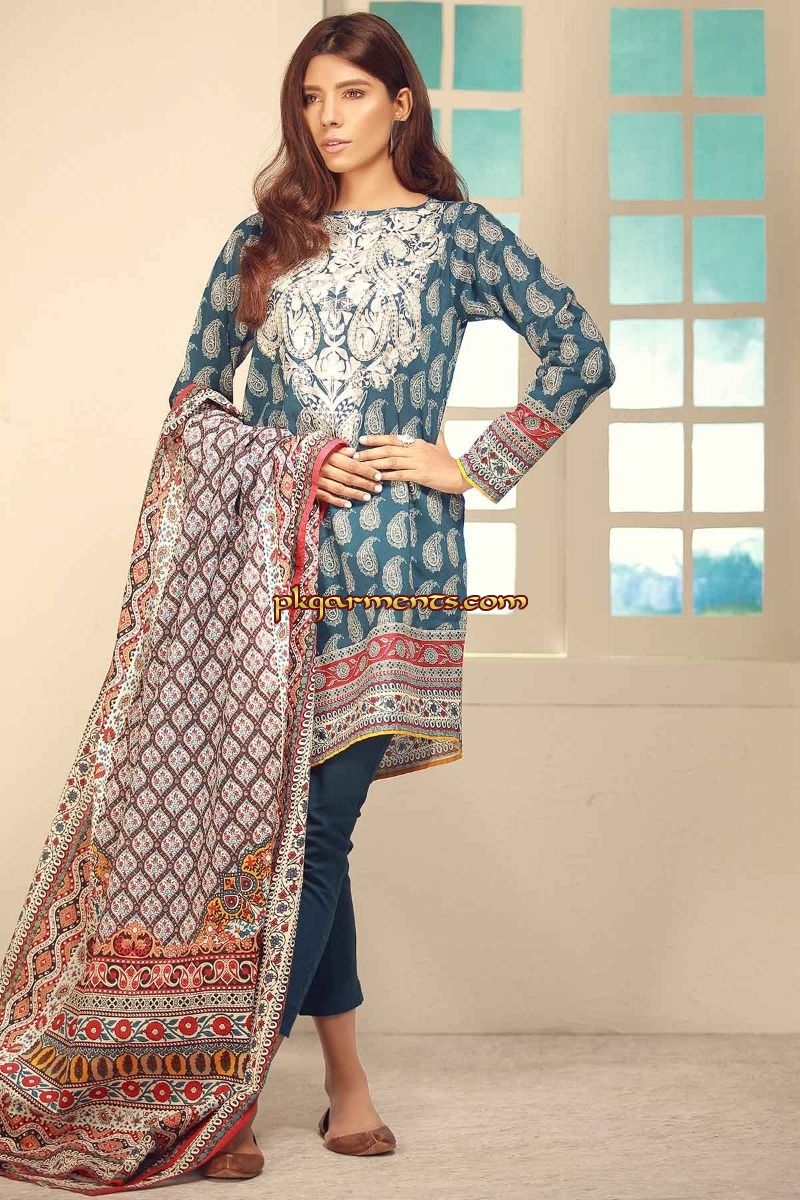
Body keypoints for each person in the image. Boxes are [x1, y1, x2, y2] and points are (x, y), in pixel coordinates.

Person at [169, 9, 616, 1178]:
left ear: (400, 104)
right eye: (310, 97)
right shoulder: (259, 243)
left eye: (352, 94)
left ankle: (225, 1096)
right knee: (294, 836)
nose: (326, 117)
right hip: (270, 574)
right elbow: (192, 403)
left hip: (399, 574)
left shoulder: (454, 237)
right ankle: (348, 1084)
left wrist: (470, 464)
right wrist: (291, 461)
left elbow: (579, 351)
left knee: (320, 825)